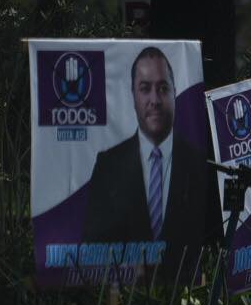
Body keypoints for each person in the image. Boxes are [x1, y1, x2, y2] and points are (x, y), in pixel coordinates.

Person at [80, 46, 216, 274]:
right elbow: (92, 246)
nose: (155, 100)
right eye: (145, 88)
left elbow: (210, 242)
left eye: (163, 88)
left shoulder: (199, 163)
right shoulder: (108, 166)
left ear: (175, 92)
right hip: (126, 296)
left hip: (184, 299)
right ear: (133, 95)